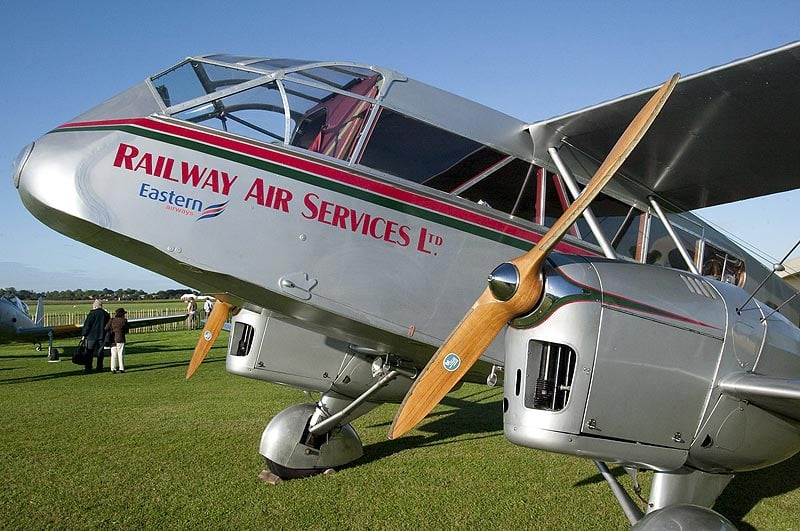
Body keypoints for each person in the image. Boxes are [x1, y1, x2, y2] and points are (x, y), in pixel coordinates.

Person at [81, 299, 110, 373]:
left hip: (91, 336)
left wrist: (84, 334)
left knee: (89, 352)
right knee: (100, 352)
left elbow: (87, 324)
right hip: (102, 336)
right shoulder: (105, 314)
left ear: (95, 306)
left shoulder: (92, 313)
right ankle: (99, 367)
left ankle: (88, 367)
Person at [105, 308, 130, 373]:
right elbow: (126, 330)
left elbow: (106, 328)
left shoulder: (112, 320)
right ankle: (121, 368)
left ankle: (113, 368)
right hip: (120, 338)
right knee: (121, 354)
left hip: (112, 339)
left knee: (113, 355)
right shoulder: (124, 321)